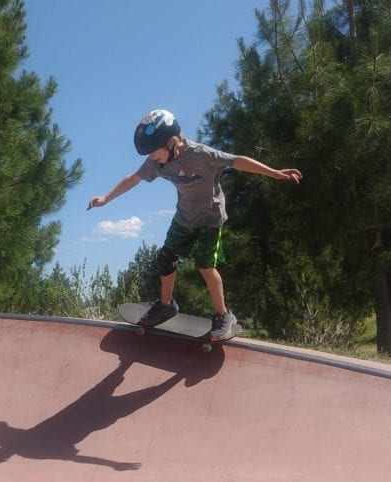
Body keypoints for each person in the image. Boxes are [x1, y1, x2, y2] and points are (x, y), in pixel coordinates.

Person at [87, 109, 302, 340]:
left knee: (205, 265)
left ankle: (223, 315)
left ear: (171, 142)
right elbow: (133, 178)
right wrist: (106, 198)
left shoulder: (202, 154)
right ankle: (166, 305)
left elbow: (237, 161)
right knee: (165, 259)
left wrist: (274, 173)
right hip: (184, 218)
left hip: (210, 219)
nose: (151, 158)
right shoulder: (156, 163)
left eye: (153, 153)